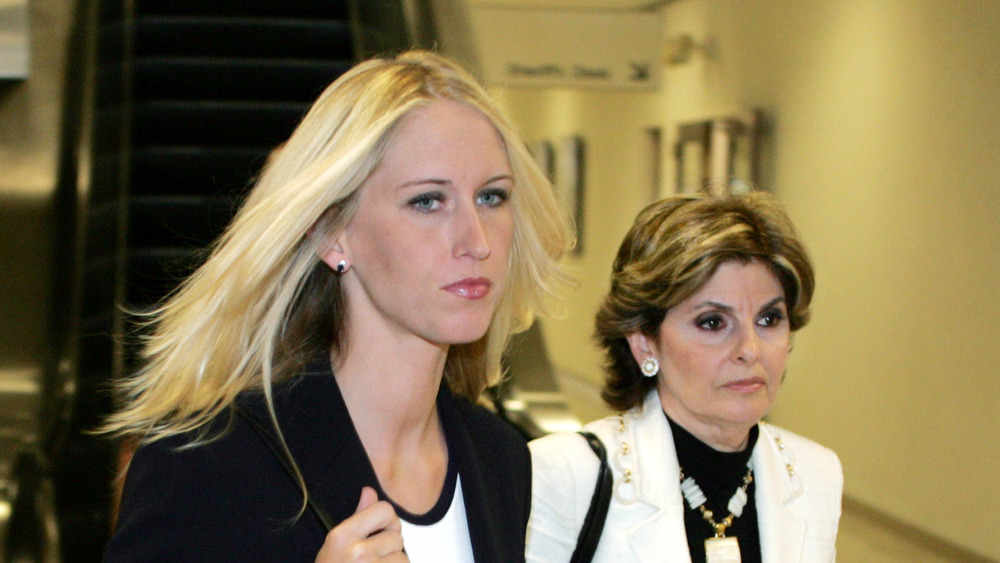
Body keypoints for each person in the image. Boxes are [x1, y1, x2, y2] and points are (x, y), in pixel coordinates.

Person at [102, 50, 573, 562]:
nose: (476, 241)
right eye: (427, 201)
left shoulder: (499, 457)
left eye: (491, 197)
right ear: (333, 234)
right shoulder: (211, 459)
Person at [526, 192, 842, 562]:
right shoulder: (565, 474)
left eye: (769, 319)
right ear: (645, 343)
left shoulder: (816, 473)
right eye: (713, 322)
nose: (751, 349)